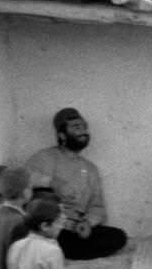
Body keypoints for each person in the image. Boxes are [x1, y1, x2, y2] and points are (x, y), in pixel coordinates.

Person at [25, 108, 128, 260]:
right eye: (76, 127)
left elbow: (98, 207)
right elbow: (23, 180)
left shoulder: (90, 168)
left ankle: (60, 251)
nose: (83, 131)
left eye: (84, 127)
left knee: (118, 237)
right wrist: (54, 182)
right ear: (62, 135)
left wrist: (88, 223)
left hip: (75, 228)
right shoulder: (44, 157)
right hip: (51, 226)